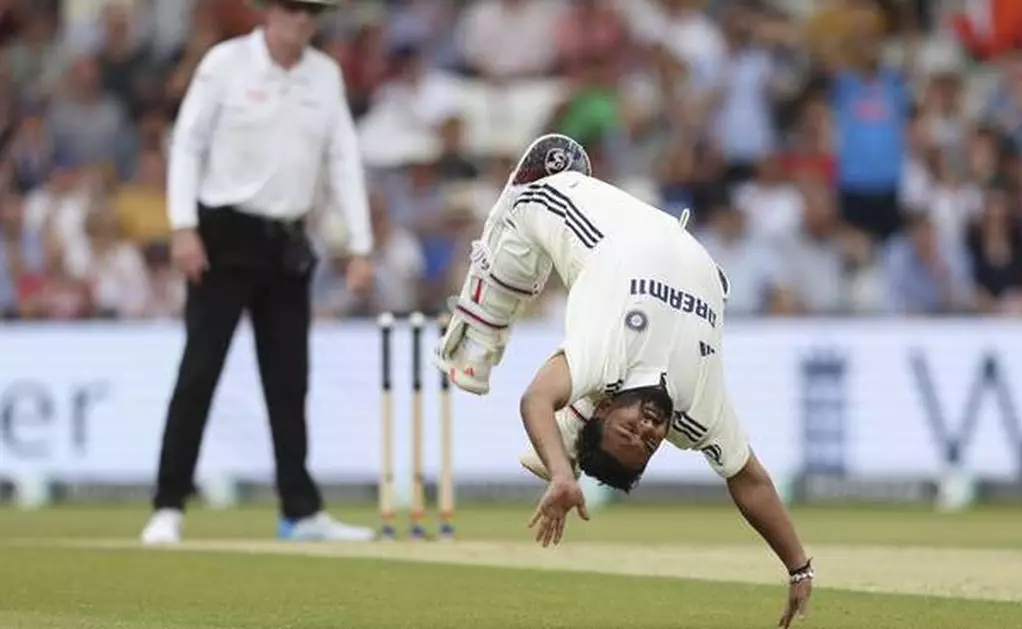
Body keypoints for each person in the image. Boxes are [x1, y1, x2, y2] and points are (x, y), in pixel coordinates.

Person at [435, 135, 815, 627]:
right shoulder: (698, 411)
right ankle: (569, 436)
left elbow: (535, 400)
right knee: (575, 403)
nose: (649, 431)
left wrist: (560, 474)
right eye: (649, 444)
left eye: (627, 432)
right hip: (681, 242)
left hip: (556, 195)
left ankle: (495, 356)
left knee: (472, 361)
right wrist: (799, 568)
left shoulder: (607, 358)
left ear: (606, 408)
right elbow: (749, 481)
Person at [140, 0, 374, 545]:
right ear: (269, 13)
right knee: (200, 372)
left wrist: (360, 246)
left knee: (289, 381)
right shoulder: (225, 63)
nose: (301, 22)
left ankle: (300, 509)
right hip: (221, 238)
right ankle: (168, 505)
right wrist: (181, 226)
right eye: (292, 10)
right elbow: (188, 146)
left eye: (310, 13)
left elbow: (343, 160)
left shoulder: (324, 74)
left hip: (287, 241)